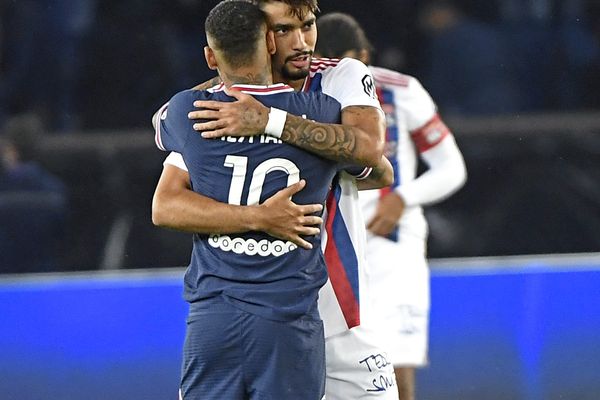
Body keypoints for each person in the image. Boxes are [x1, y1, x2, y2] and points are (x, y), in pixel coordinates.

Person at [153, 1, 401, 399]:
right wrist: (259, 217)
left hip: (340, 317)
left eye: (308, 25)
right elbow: (166, 201)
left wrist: (268, 119)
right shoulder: (221, 103)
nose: (302, 42)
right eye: (285, 30)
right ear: (263, 37)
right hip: (262, 309)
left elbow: (374, 156)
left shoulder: (340, 76)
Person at [314, 12, 468, 400]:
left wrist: (403, 197)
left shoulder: (402, 90)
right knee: (326, 370)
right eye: (329, 63)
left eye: (348, 61)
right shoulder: (304, 92)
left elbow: (452, 168)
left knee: (397, 366)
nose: (340, 73)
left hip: (390, 244)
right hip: (328, 246)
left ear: (364, 54)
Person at [0, 114, 68, 273]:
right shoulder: (55, 188)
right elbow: (63, 239)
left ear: (11, 150)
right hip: (45, 276)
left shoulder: (5, 188)